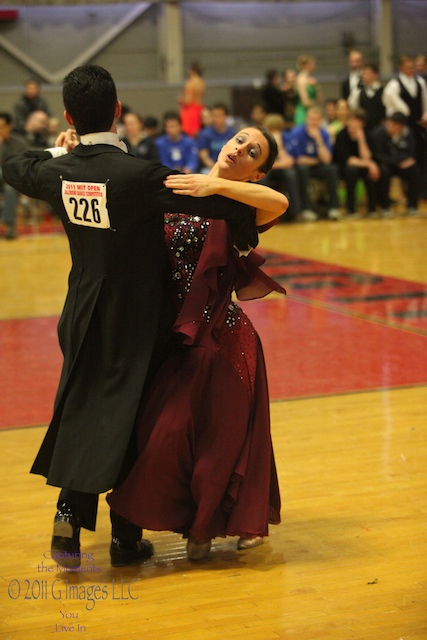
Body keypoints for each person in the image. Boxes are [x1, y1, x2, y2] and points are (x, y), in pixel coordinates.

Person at [2, 65, 265, 570]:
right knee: (135, 417)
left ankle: (69, 512)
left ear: (68, 118)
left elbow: (15, 165)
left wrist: (60, 150)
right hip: (140, 317)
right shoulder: (140, 175)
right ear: (118, 110)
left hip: (81, 311)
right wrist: (245, 227)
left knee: (82, 405)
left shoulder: (59, 171)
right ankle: (124, 537)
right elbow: (222, 207)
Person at [107, 125, 288, 560]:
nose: (241, 148)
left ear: (256, 173)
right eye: (240, 139)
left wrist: (217, 186)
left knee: (219, 443)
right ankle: (192, 522)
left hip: (224, 343)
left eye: (253, 152)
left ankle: (206, 528)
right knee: (166, 437)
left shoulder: (242, 209)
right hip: (174, 340)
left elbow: (280, 202)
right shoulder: (182, 187)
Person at [287, 106, 340, 221]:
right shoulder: (297, 133)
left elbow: (326, 160)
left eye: (316, 120)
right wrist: (317, 160)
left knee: (331, 169)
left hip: (318, 166)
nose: (313, 122)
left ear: (321, 121)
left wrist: (318, 140)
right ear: (306, 119)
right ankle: (306, 209)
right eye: (311, 119)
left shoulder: (324, 134)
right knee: (302, 169)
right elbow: (299, 159)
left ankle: (333, 208)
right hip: (302, 168)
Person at [333, 109, 380, 218]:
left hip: (362, 165)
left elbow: (367, 157)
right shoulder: (342, 135)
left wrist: (361, 140)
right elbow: (348, 160)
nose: (352, 123)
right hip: (344, 167)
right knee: (352, 171)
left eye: (356, 121)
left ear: (362, 124)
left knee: (371, 172)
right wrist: (370, 164)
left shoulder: (367, 134)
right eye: (351, 120)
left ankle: (372, 208)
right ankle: (351, 209)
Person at [372, 112, 420, 217]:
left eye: (398, 127)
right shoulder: (378, 133)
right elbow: (379, 155)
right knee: (384, 172)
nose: (394, 128)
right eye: (392, 125)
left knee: (414, 170)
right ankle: (385, 207)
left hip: (401, 164)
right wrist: (396, 161)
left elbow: (411, 151)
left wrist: (405, 160)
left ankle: (412, 206)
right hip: (386, 164)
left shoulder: (407, 133)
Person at [260, 113, 302, 222]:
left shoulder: (287, 138)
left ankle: (296, 212)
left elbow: (290, 161)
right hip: (268, 169)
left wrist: (280, 146)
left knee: (291, 174)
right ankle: (260, 211)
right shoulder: (262, 140)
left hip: (280, 168)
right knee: (261, 176)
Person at [0, 112, 28, 239]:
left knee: (9, 190)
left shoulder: (19, 144)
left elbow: (24, 165)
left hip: (15, 182)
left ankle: (10, 228)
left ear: (9, 126)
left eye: (2, 127)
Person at [197, 103, 236, 173]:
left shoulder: (233, 134)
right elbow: (204, 156)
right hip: (211, 168)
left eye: (219, 116)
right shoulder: (205, 134)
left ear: (226, 117)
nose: (216, 119)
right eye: (214, 116)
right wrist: (216, 168)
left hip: (229, 167)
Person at [348, 63, 386, 133]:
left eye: (367, 74)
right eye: (363, 74)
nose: (364, 76)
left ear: (376, 75)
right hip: (363, 127)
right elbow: (352, 106)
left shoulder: (384, 91)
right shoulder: (357, 91)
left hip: (380, 127)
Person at [178, 61, 206, 138]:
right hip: (199, 108)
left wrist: (181, 100)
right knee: (197, 132)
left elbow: (188, 101)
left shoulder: (191, 83)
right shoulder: (201, 82)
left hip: (191, 111)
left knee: (189, 133)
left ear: (191, 70)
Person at [294, 56, 322, 125]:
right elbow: (305, 102)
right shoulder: (301, 79)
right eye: (312, 64)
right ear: (305, 65)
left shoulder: (311, 80)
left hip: (312, 112)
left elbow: (320, 100)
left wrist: (316, 87)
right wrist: (315, 105)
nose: (314, 66)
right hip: (304, 113)